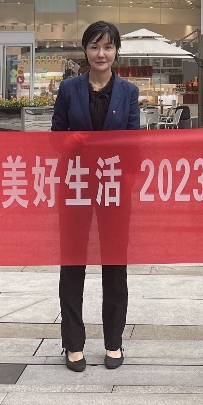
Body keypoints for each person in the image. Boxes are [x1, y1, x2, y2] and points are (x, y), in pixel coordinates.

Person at [51, 20, 140, 373]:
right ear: (85, 50)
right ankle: (73, 343)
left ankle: (114, 341)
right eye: (94, 46)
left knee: (115, 266)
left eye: (107, 47)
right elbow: (54, 138)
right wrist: (68, 142)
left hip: (114, 189)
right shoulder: (69, 89)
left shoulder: (129, 92)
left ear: (116, 51)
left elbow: (134, 143)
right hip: (75, 187)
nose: (101, 54)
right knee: (73, 264)